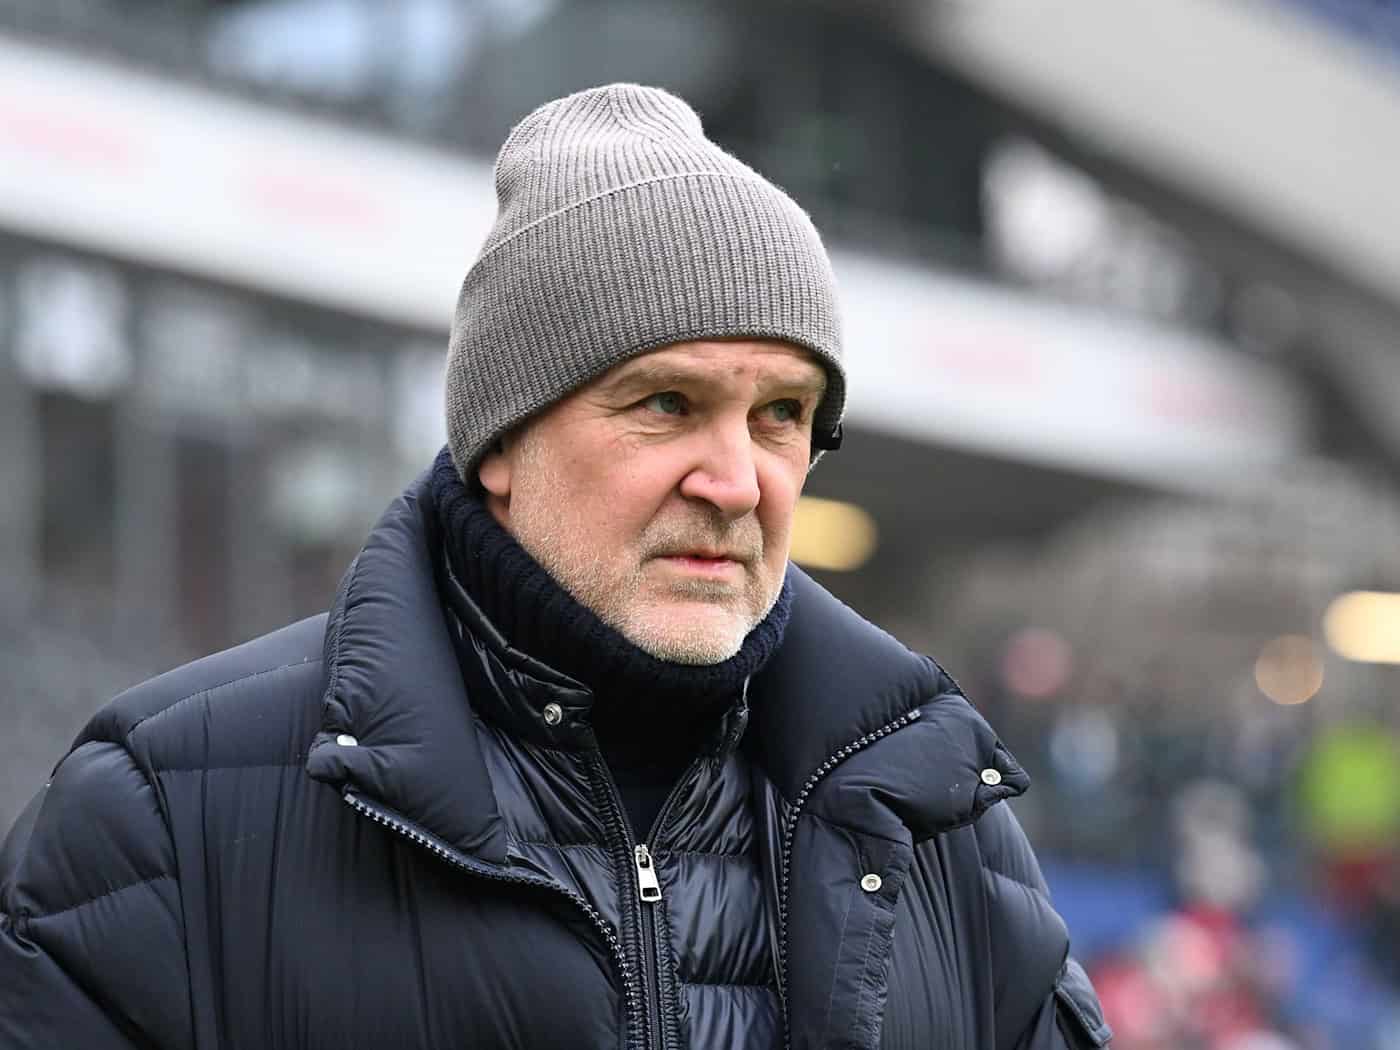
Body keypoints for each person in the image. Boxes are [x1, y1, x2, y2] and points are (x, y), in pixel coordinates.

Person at [0, 84, 1109, 1049]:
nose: (735, 481)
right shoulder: (161, 820)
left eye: (780, 415)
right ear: (501, 448)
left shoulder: (945, 831)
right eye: (667, 404)